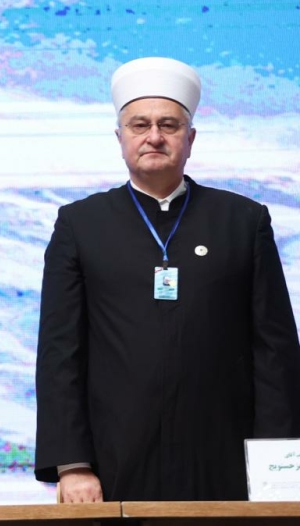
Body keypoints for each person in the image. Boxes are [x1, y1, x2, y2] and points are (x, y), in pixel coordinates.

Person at [35, 57, 300, 502]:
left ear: (190, 139)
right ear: (120, 138)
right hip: (114, 461)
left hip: (225, 461)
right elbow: (60, 352)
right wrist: (73, 465)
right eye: (140, 125)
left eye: (169, 125)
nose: (154, 136)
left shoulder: (243, 221)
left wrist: (278, 470)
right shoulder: (80, 224)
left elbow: (275, 352)